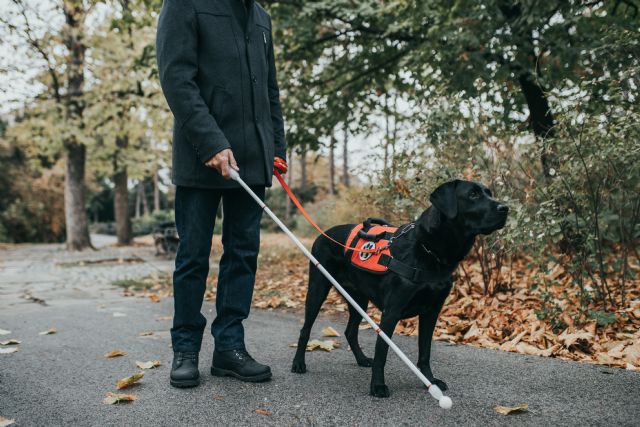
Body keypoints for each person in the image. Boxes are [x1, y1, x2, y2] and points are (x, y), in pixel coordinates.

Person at [156, 0, 288, 388]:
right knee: (193, 256)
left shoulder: (261, 16)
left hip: (253, 162)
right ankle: (185, 349)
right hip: (202, 158)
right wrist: (211, 142)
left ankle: (229, 349)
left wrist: (275, 150)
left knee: (243, 255)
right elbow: (177, 78)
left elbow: (270, 93)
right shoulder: (184, 4)